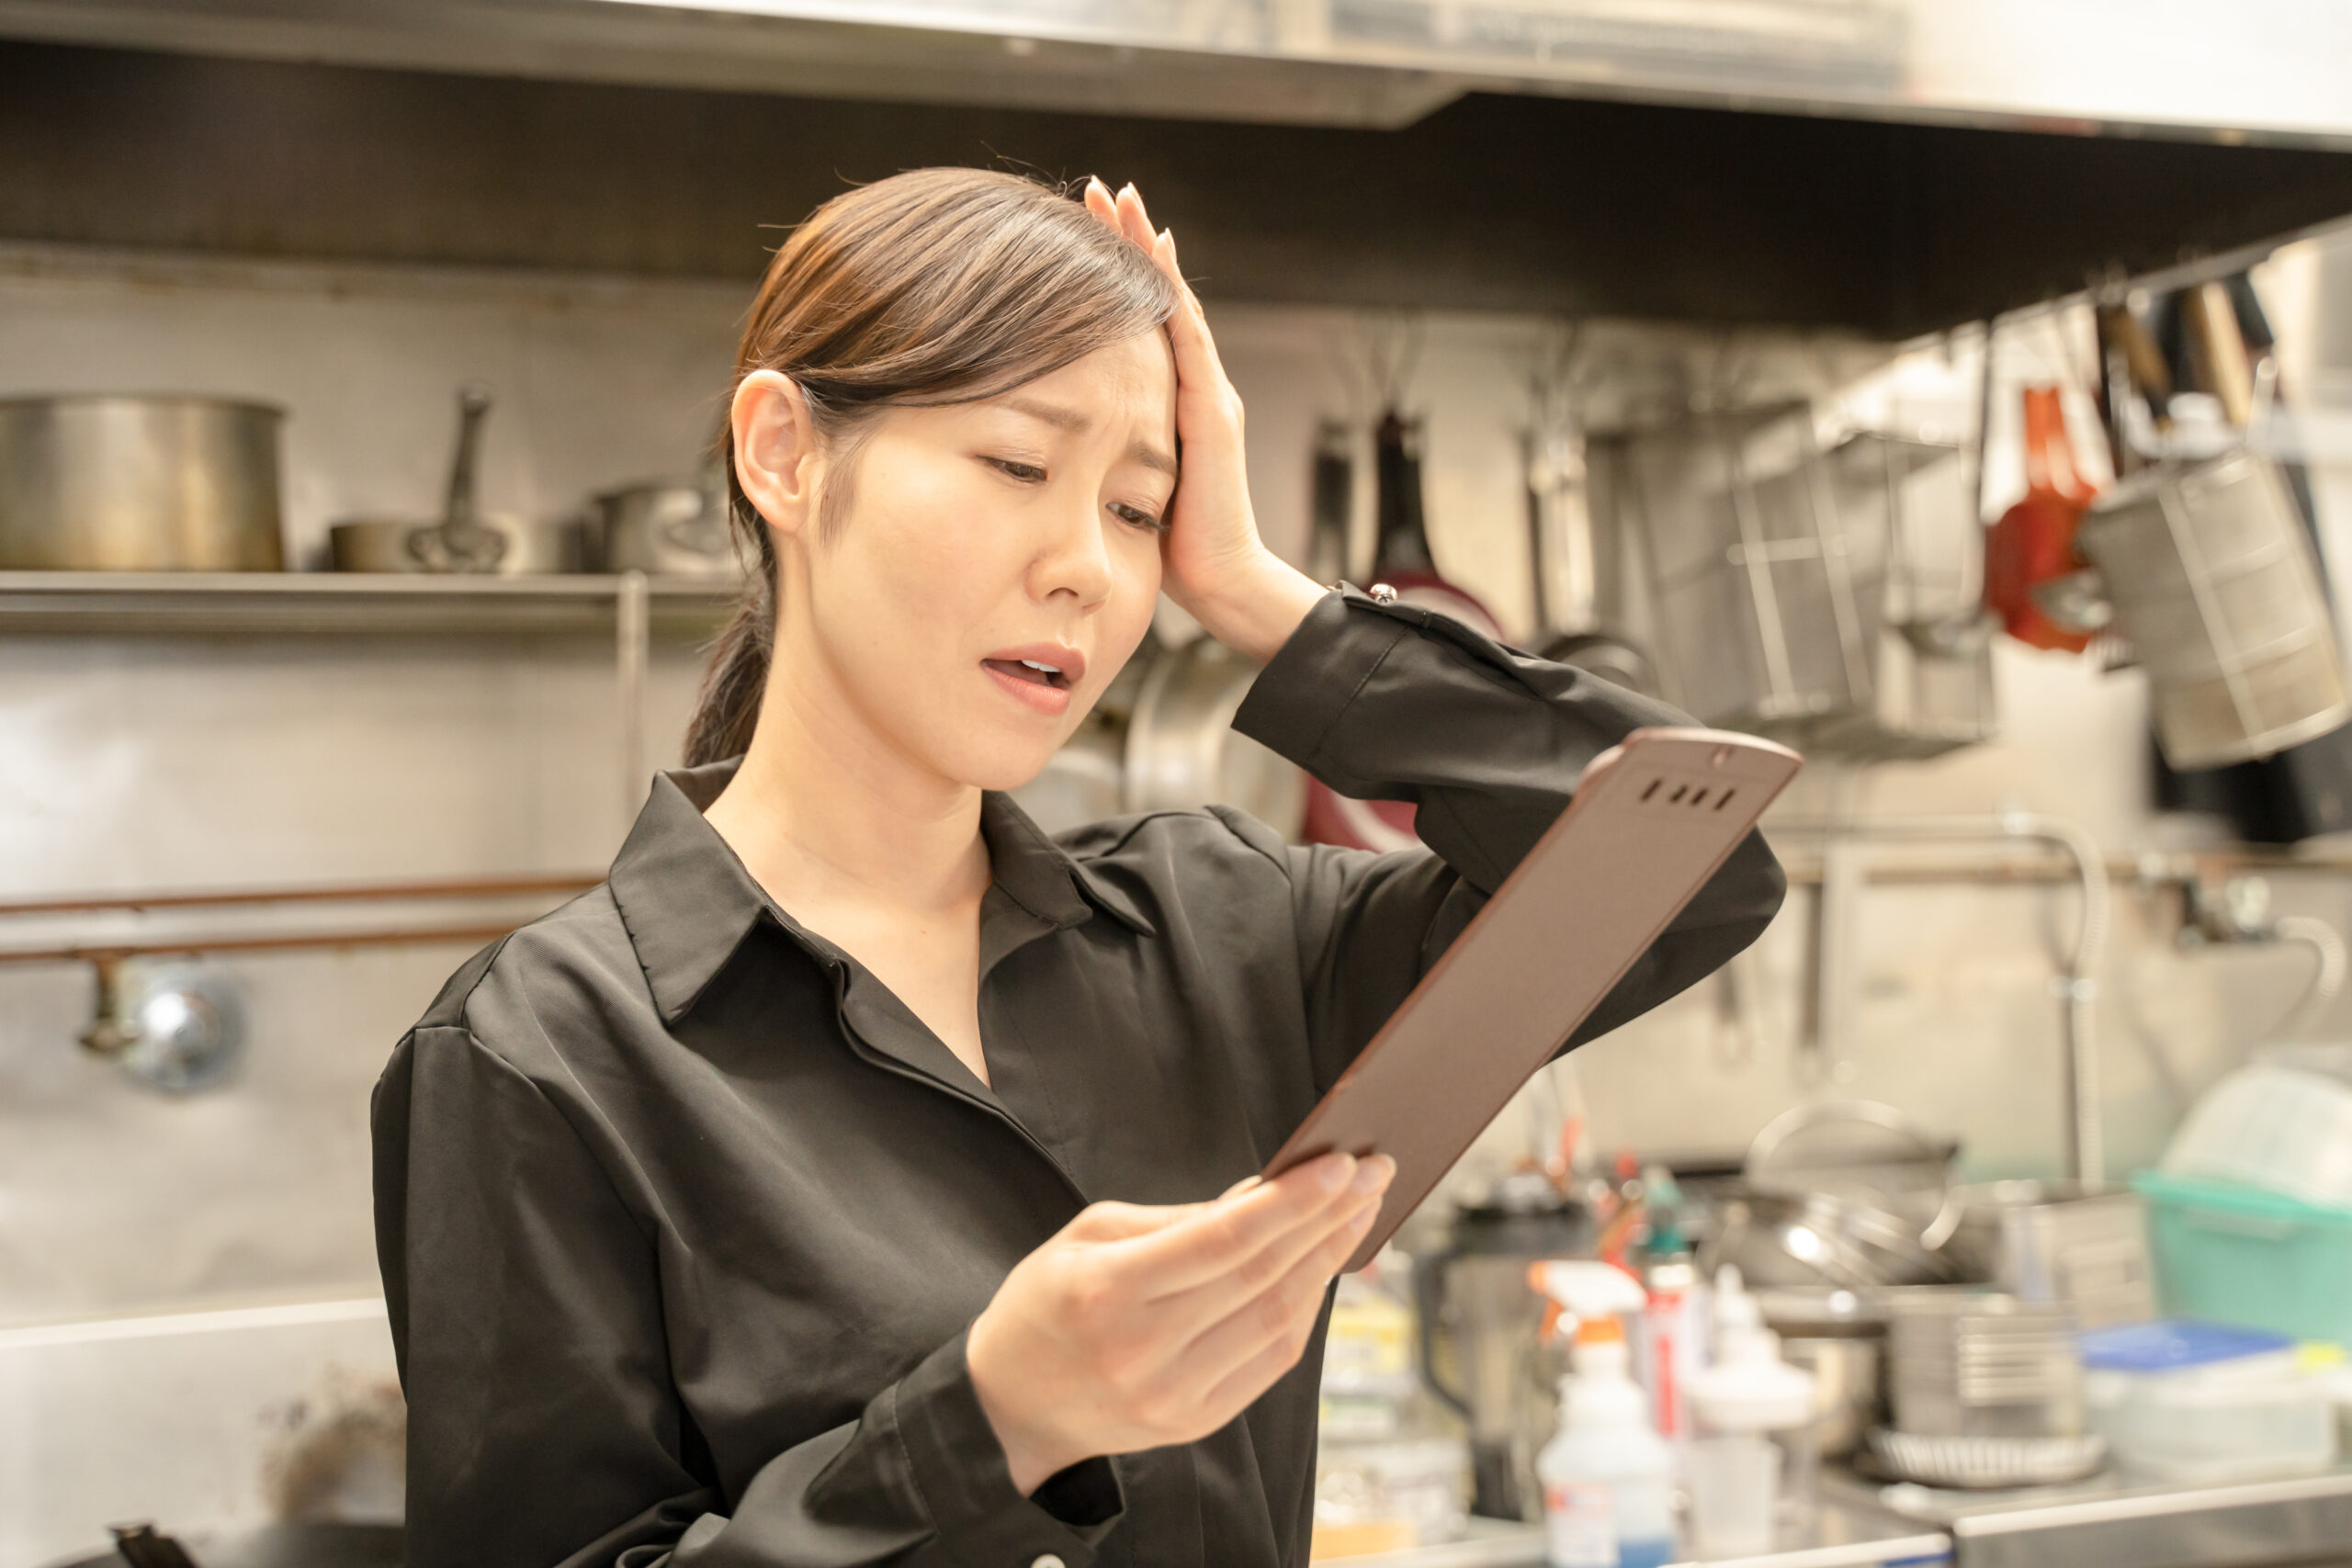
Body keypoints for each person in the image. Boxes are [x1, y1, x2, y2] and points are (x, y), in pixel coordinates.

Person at [371, 167, 1784, 1568]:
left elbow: (1690, 864)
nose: (1089, 573)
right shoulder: (537, 1056)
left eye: (1135, 510)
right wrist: (994, 1425)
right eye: (1018, 466)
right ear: (785, 453)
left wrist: (1252, 589)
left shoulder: (1225, 935)